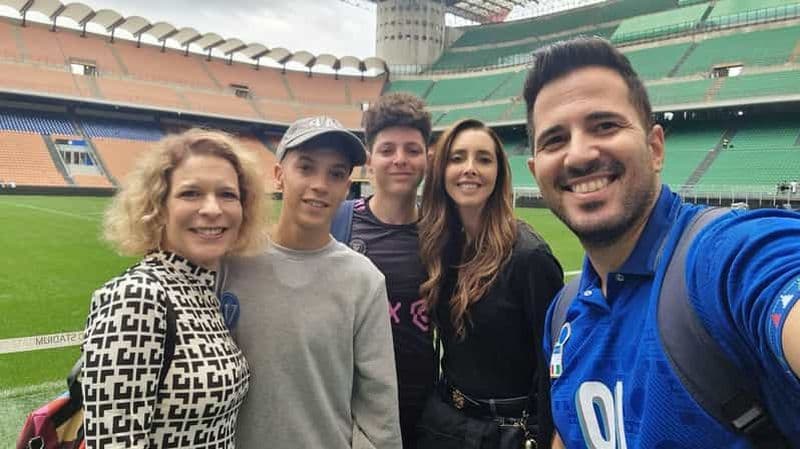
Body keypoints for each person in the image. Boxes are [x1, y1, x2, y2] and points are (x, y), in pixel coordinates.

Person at [523, 37, 800, 448]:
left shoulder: (722, 257)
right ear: (535, 169)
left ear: (655, 148)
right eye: (554, 140)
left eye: (605, 126)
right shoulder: (563, 315)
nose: (578, 155)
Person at [218, 116, 402, 449]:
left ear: (347, 187)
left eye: (336, 174)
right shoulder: (229, 263)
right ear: (278, 176)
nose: (320, 184)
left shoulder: (364, 280)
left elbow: (380, 409)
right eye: (306, 168)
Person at [82, 129, 268, 447]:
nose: (212, 209)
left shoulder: (205, 291)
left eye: (227, 194)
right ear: (159, 206)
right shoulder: (136, 297)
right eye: (191, 193)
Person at [415, 119, 563, 448]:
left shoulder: (529, 257)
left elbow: (553, 367)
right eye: (457, 158)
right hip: (445, 425)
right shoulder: (439, 246)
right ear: (441, 170)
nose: (470, 168)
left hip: (504, 435)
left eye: (484, 159)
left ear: (498, 173)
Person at [333, 92, 434, 448]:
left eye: (412, 149)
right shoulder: (339, 224)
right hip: (351, 409)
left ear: (427, 158)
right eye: (388, 150)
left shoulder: (444, 234)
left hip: (426, 414)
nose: (400, 160)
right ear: (370, 160)